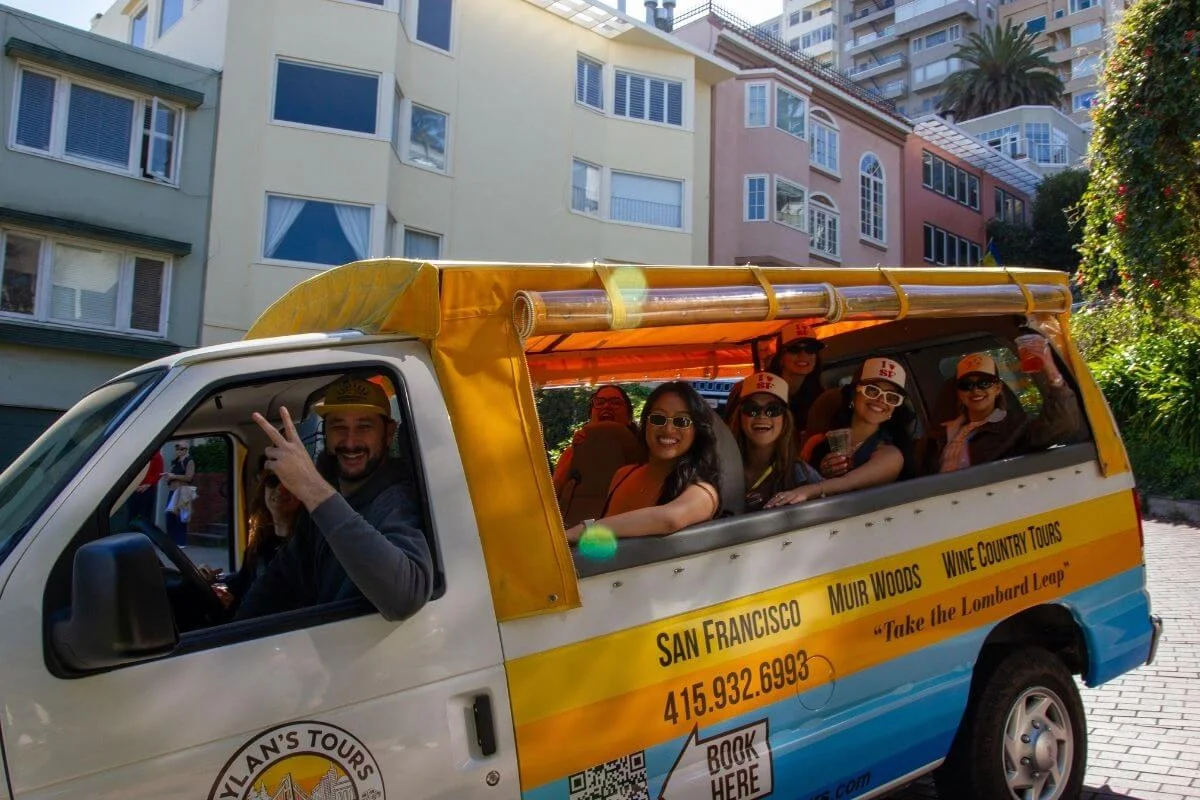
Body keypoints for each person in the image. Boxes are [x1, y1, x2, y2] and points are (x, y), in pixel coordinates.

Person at [233, 376, 433, 622]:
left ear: (389, 433)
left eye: (364, 427)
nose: (350, 442)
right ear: (325, 432)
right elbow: (280, 580)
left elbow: (405, 598)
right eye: (338, 426)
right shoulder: (325, 504)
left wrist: (311, 486)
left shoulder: (396, 500)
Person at [564, 381, 720, 541]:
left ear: (697, 432)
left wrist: (581, 531)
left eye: (682, 421)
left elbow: (670, 520)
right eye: (658, 418)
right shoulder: (623, 474)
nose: (668, 429)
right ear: (645, 424)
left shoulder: (703, 492)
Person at [766, 357, 911, 507]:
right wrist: (820, 472)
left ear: (894, 409)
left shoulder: (891, 455)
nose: (881, 400)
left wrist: (810, 489)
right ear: (854, 394)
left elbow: (849, 482)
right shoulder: (817, 442)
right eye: (872, 390)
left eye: (892, 397)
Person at [922, 337, 1081, 474]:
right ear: (959, 393)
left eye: (984, 383)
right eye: (966, 385)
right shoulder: (941, 433)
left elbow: (1063, 424)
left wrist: (1052, 372)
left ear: (997, 388)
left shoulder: (1015, 427)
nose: (976, 390)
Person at [208, 459, 303, 611]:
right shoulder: (261, 542)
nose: (281, 488)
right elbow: (242, 583)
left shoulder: (304, 548)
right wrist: (213, 584)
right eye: (272, 481)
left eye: (290, 481)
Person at [731, 372, 823, 512]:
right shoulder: (720, 468)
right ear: (740, 417)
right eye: (752, 409)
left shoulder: (802, 475)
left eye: (773, 410)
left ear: (785, 419)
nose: (762, 416)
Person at [725, 321, 824, 443]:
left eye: (811, 349)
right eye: (794, 349)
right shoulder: (754, 388)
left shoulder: (819, 393)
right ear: (781, 358)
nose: (803, 355)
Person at [551, 384, 640, 496]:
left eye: (615, 402)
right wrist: (575, 452)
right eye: (599, 402)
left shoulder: (643, 452)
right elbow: (552, 494)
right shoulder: (572, 452)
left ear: (629, 418)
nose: (606, 406)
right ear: (590, 416)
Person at [162, 442, 195, 546]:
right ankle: (171, 540)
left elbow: (189, 477)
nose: (179, 451)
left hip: (183, 491)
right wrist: (168, 476)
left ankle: (181, 542)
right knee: (169, 515)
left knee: (181, 517)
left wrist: (174, 476)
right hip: (173, 490)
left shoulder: (189, 461)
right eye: (177, 449)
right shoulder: (175, 461)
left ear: (186, 450)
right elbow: (172, 474)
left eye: (181, 449)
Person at [127, 449, 164, 523]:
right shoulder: (135, 454)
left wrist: (148, 485)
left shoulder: (156, 456)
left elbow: (159, 473)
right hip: (133, 490)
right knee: (131, 515)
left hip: (147, 490)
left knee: (144, 517)